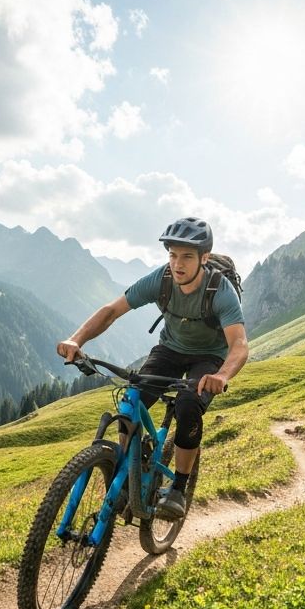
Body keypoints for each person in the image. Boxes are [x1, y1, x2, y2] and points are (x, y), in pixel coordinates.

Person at [57, 217, 250, 518]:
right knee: (132, 399)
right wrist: (76, 339)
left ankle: (178, 489)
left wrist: (221, 375)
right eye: (172, 255)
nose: (178, 264)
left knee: (188, 407)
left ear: (205, 258)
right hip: (170, 349)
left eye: (187, 256)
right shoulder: (161, 280)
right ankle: (125, 481)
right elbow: (111, 311)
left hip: (209, 357)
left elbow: (238, 343)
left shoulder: (219, 290)